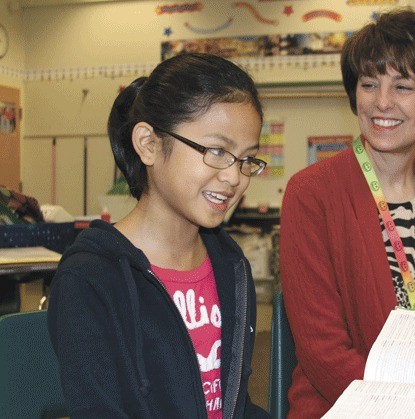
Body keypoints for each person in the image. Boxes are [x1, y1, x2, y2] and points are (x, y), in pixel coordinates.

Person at [279, 8, 415, 418]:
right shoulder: (311, 194)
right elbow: (323, 353)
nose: (382, 102)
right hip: (349, 403)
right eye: (369, 83)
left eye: (403, 86)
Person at [47, 53, 270, 418]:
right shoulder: (91, 278)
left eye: (246, 159)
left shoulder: (230, 265)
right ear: (149, 144)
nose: (234, 178)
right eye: (216, 151)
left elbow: (232, 405)